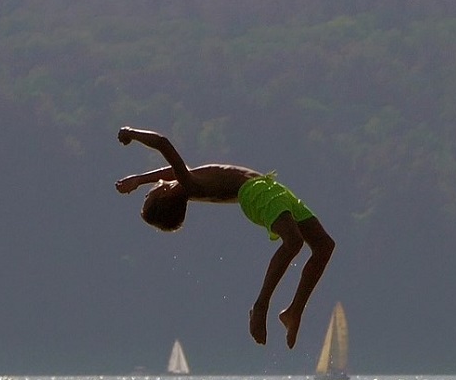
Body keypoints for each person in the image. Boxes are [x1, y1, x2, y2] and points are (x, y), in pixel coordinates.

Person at [115, 127, 335, 348]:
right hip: (257, 193)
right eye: (149, 194)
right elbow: (162, 143)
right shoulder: (190, 184)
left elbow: (173, 172)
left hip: (271, 188)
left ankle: (294, 311)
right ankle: (261, 306)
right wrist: (130, 133)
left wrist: (139, 179)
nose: (151, 189)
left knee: (324, 246)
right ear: (164, 194)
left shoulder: (188, 182)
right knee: (293, 242)